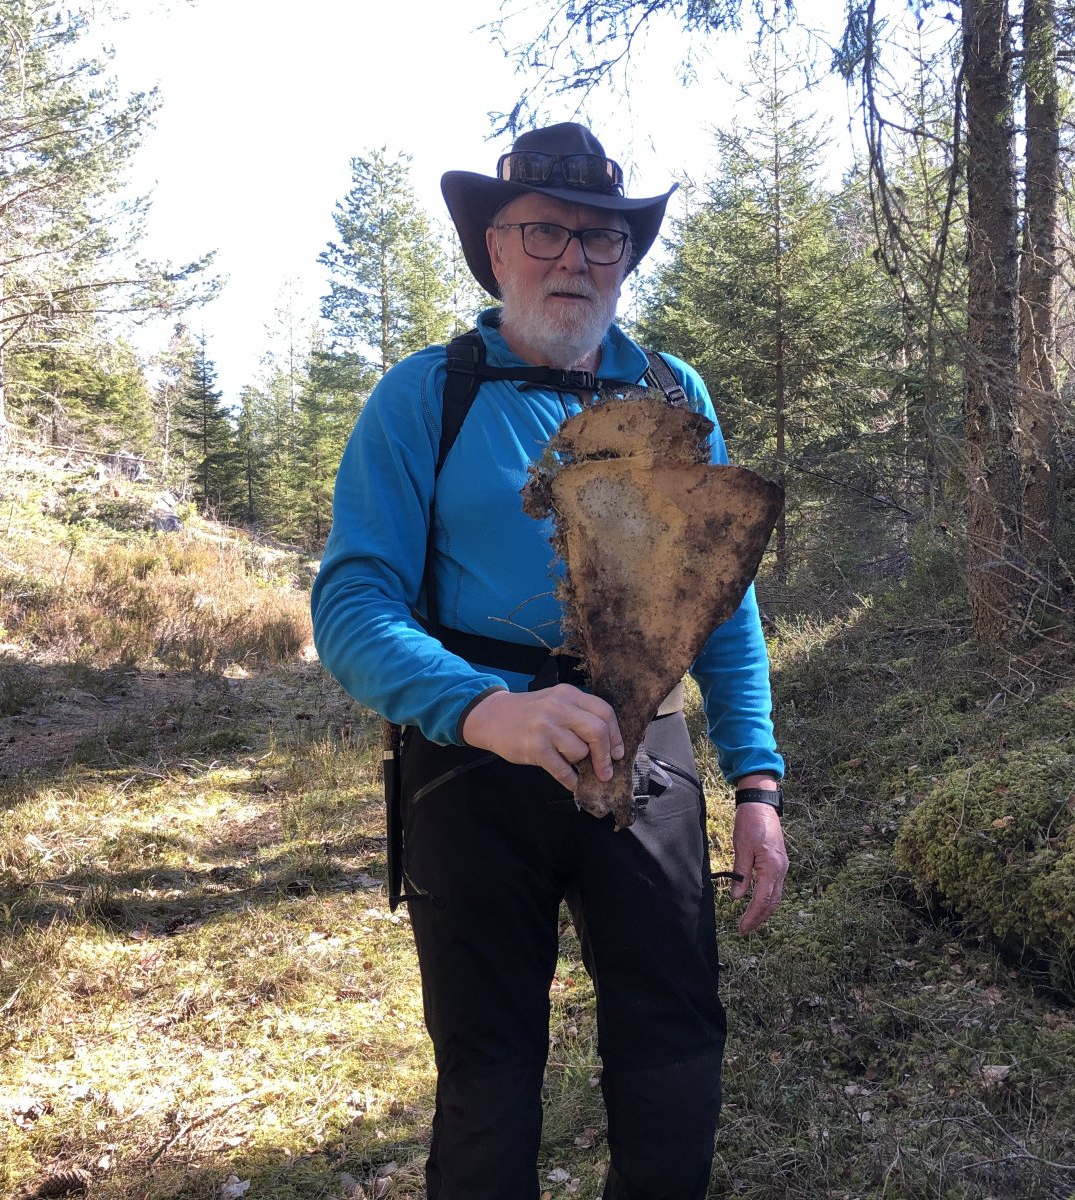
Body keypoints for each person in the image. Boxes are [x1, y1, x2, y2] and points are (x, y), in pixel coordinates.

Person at [310, 121, 787, 1200]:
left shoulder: (674, 396)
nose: (574, 259)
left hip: (645, 747)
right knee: (487, 1073)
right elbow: (352, 603)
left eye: (600, 238)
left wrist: (757, 786)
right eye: (544, 233)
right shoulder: (425, 397)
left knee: (674, 1047)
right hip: (473, 757)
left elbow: (721, 600)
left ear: (624, 258)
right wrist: (489, 710)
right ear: (494, 248)